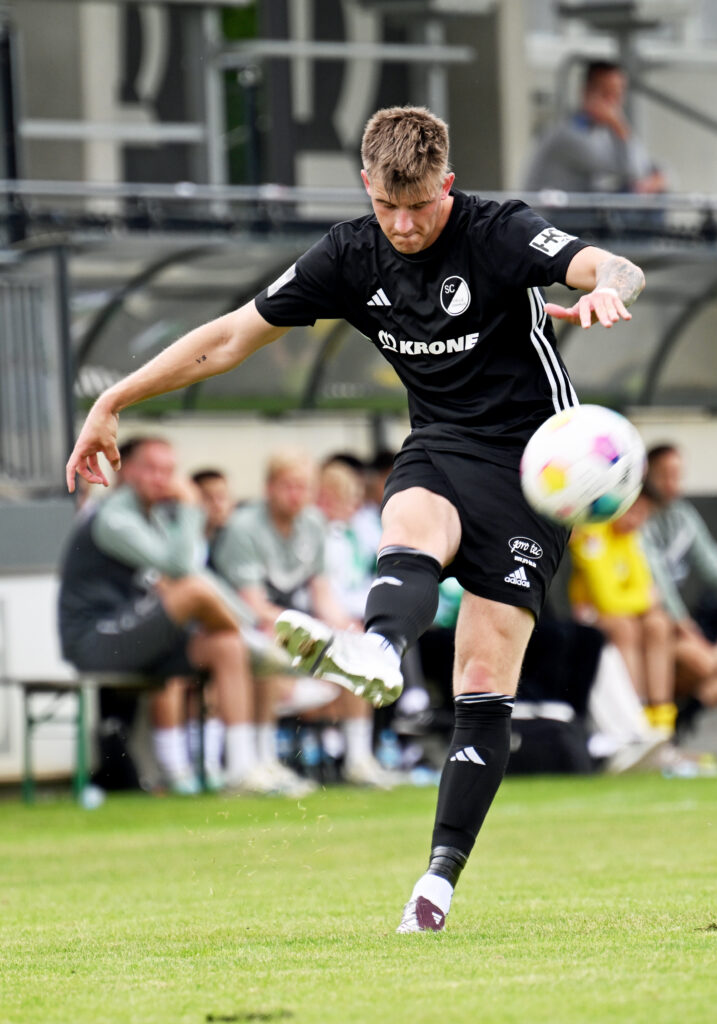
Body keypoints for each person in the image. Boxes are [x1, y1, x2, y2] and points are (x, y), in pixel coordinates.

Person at [66, 105, 646, 932]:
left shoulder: (497, 232)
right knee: (407, 518)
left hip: (532, 469)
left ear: (447, 185)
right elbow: (230, 337)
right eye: (388, 207)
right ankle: (376, 649)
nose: (404, 226)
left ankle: (438, 881)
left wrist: (603, 296)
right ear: (366, 188)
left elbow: (610, 265)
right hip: (441, 446)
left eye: (421, 206)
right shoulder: (347, 254)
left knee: (484, 680)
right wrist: (114, 399)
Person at [58, 437, 267, 794]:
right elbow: (183, 569)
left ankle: (244, 769)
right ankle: (266, 653)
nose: (163, 479)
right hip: (96, 640)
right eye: (152, 469)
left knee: (226, 645)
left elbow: (196, 575)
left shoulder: (152, 515)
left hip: (138, 635)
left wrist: (250, 620)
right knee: (194, 593)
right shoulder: (112, 517)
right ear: (125, 470)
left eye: (169, 470)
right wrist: (190, 507)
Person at [209, 450, 395, 788]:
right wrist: (311, 629)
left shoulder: (312, 524)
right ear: (269, 487)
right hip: (243, 627)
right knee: (268, 646)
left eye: (303, 487)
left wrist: (345, 630)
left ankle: (358, 759)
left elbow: (322, 593)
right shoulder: (243, 527)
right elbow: (252, 605)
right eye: (288, 486)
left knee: (353, 643)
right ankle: (258, 761)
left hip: (290, 624)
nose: (296, 495)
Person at [642, 444, 717, 735]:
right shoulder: (636, 514)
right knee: (705, 661)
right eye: (665, 475)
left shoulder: (683, 516)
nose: (672, 483)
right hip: (657, 621)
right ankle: (658, 728)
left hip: (683, 626)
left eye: (677, 475)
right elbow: (657, 578)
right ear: (647, 475)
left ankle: (682, 721)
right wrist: (686, 626)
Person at [569, 489, 677, 734]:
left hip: (622, 612)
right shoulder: (592, 535)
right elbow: (606, 598)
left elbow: (644, 586)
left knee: (658, 624)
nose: (636, 521)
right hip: (588, 615)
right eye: (632, 512)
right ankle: (634, 713)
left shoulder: (630, 538)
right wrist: (641, 600)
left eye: (643, 515)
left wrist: (641, 601)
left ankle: (661, 715)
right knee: (625, 627)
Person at [524, 60, 667, 195]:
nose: (613, 104)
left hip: (579, 214)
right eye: (606, 95)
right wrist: (619, 124)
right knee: (632, 197)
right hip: (551, 216)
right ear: (586, 92)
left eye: (617, 95)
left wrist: (658, 177)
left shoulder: (602, 132)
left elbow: (646, 165)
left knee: (652, 194)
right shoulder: (567, 134)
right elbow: (633, 171)